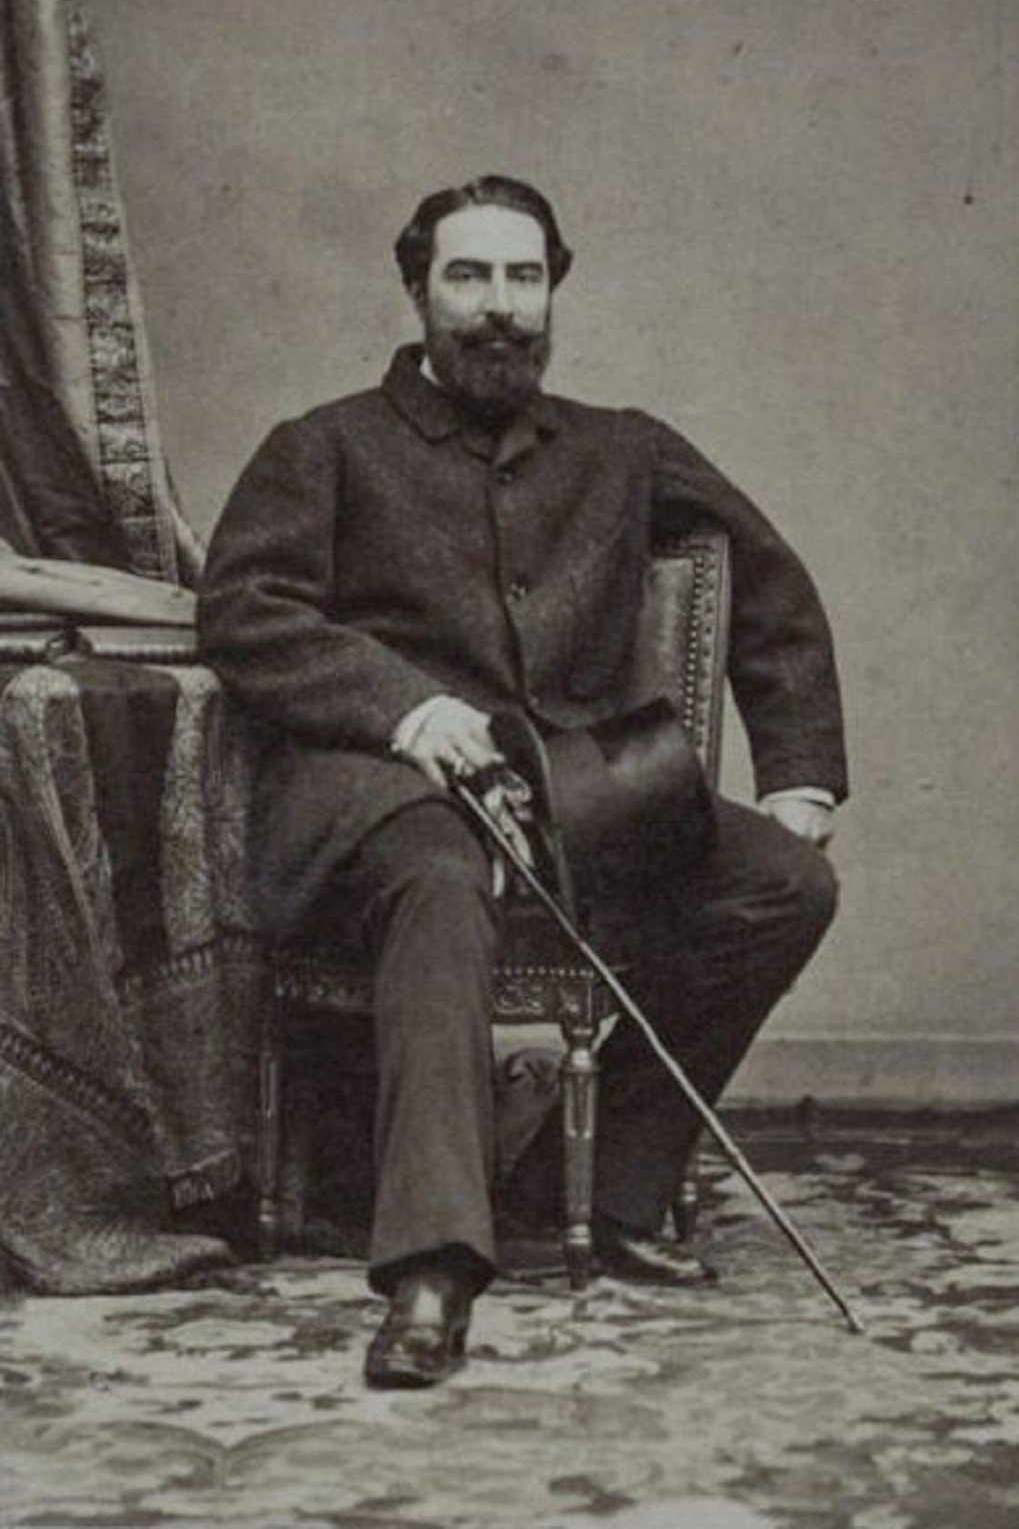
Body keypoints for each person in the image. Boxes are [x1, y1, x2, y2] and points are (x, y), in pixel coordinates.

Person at [197, 175, 847, 1390]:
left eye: (522, 277)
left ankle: (595, 1185)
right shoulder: (321, 446)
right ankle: (431, 1270)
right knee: (439, 885)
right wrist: (405, 708)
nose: (498, 306)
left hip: (576, 794)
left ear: (551, 291)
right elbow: (243, 609)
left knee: (785, 884)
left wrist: (800, 774)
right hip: (376, 797)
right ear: (416, 289)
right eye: (468, 276)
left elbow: (766, 581)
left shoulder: (621, 446)